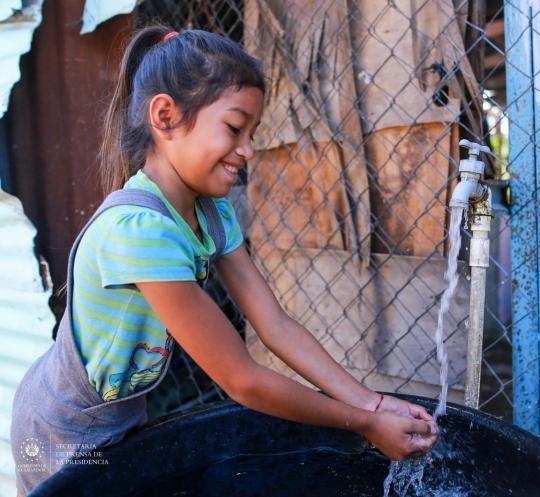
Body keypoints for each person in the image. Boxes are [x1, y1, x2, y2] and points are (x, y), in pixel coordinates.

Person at [11, 25, 438, 496]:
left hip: (122, 415)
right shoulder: (139, 233)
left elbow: (275, 324)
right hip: (62, 435)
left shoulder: (211, 214)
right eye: (235, 128)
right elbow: (242, 380)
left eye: (252, 132)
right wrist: (362, 425)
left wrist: (375, 404)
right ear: (165, 117)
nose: (249, 149)